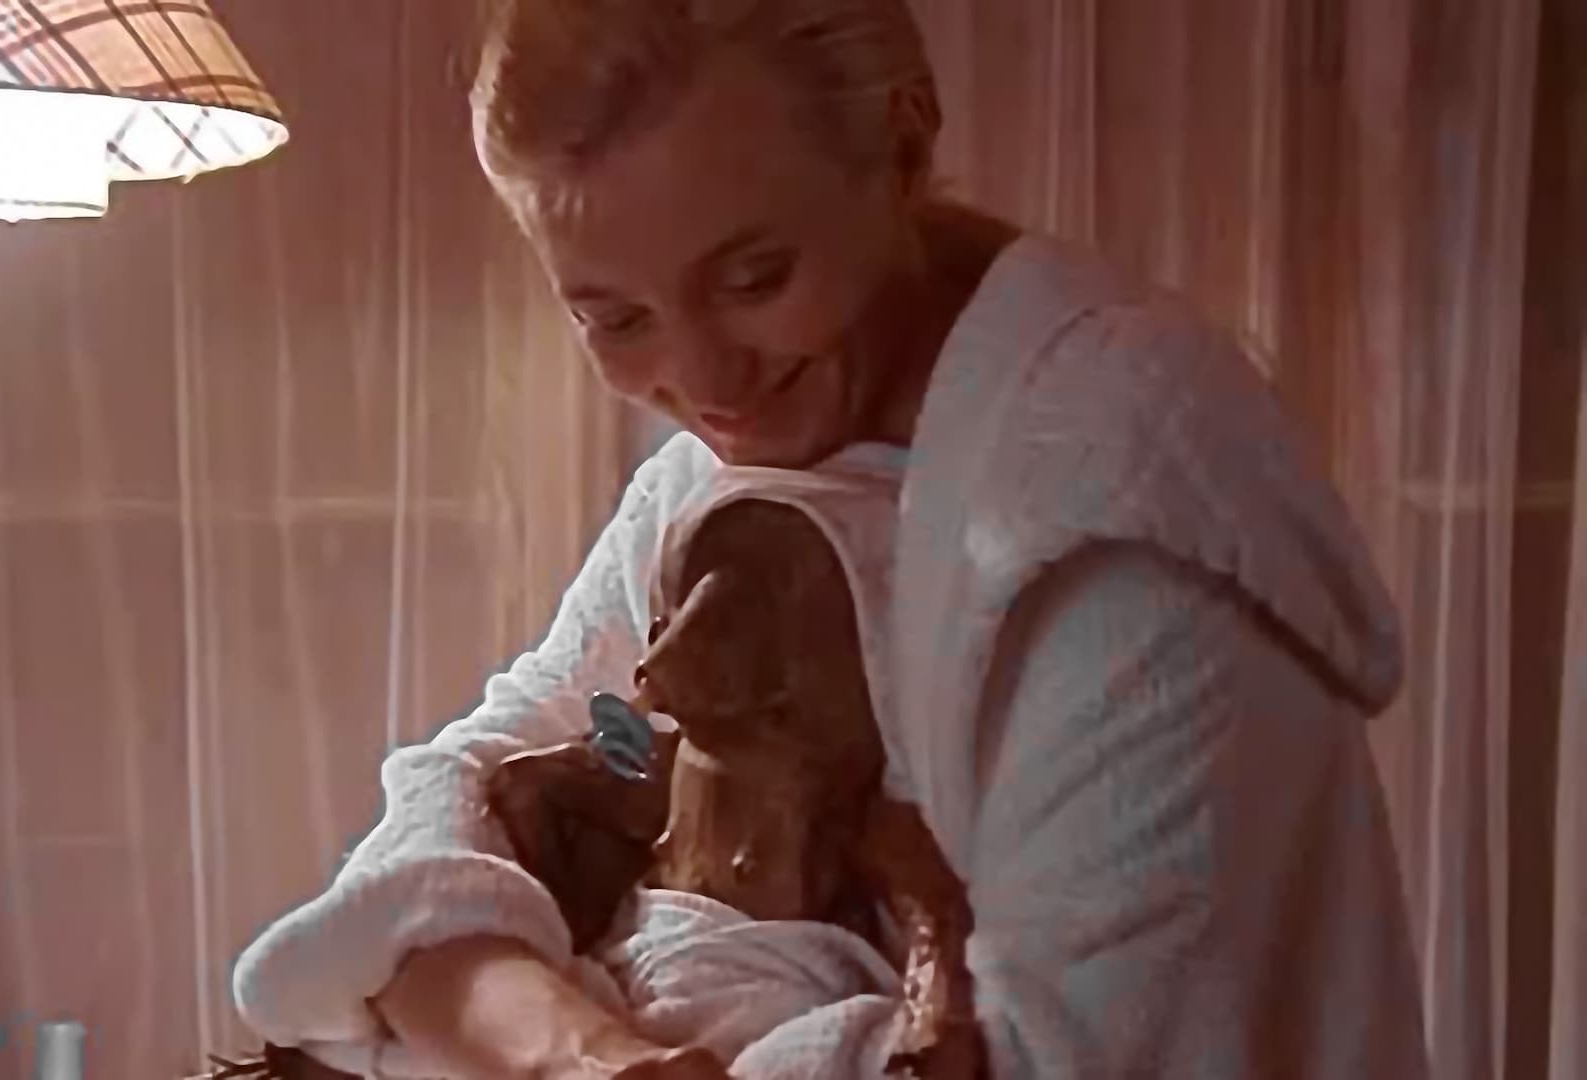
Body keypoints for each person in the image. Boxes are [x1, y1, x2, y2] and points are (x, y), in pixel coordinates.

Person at [231, 1, 1429, 1077]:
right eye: (616, 317)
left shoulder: (1120, 534)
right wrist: (579, 1052)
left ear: (901, 143)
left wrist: (490, 999)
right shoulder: (723, 475)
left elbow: (1039, 1063)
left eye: (755, 277)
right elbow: (472, 792)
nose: (705, 382)